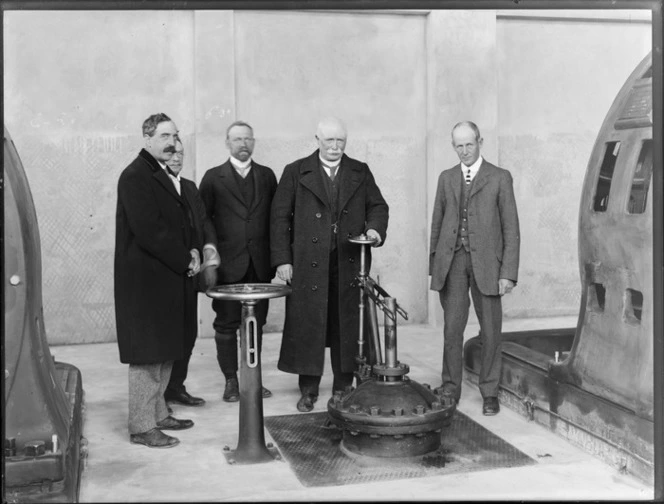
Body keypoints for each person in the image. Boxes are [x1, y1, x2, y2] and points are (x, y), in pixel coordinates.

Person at [271, 116, 389, 412]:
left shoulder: (359, 171)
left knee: (345, 324)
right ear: (317, 140)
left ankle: (342, 387)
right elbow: (279, 219)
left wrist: (375, 229)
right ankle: (308, 389)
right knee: (309, 324)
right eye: (329, 141)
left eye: (340, 141)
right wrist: (283, 261)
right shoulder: (296, 171)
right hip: (308, 263)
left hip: (347, 261)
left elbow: (378, 206)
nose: (335, 147)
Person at [115, 113, 199, 449]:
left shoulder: (159, 174)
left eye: (175, 136)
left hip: (166, 277)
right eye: (165, 136)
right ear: (147, 138)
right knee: (148, 355)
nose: (172, 143)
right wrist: (184, 259)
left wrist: (191, 252)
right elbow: (150, 231)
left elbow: (179, 224)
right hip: (146, 283)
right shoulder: (135, 176)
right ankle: (140, 426)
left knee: (165, 350)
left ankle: (159, 412)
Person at [429, 121, 520, 416]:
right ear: (452, 146)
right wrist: (436, 266)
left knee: (491, 330)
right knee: (452, 329)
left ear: (480, 141)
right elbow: (437, 224)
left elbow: (511, 228)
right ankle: (450, 388)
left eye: (469, 144)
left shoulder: (499, 177)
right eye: (459, 145)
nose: (464, 151)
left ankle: (490, 392)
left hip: (488, 266)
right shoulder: (446, 178)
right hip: (453, 262)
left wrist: (508, 272)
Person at [199, 121, 277, 402]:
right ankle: (231, 381)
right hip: (229, 266)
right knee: (226, 324)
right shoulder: (212, 177)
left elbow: (276, 219)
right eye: (237, 139)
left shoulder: (267, 176)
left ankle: (252, 379)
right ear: (227, 143)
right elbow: (203, 219)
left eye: (247, 139)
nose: (243, 144)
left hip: (259, 265)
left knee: (256, 322)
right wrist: (211, 259)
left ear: (254, 142)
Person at [163, 140, 220, 408]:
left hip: (190, 272)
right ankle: (159, 394)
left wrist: (208, 250)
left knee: (188, 333)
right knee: (166, 334)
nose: (176, 158)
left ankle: (175, 387)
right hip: (166, 272)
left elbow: (204, 221)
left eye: (181, 153)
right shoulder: (155, 188)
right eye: (171, 153)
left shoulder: (189, 187)